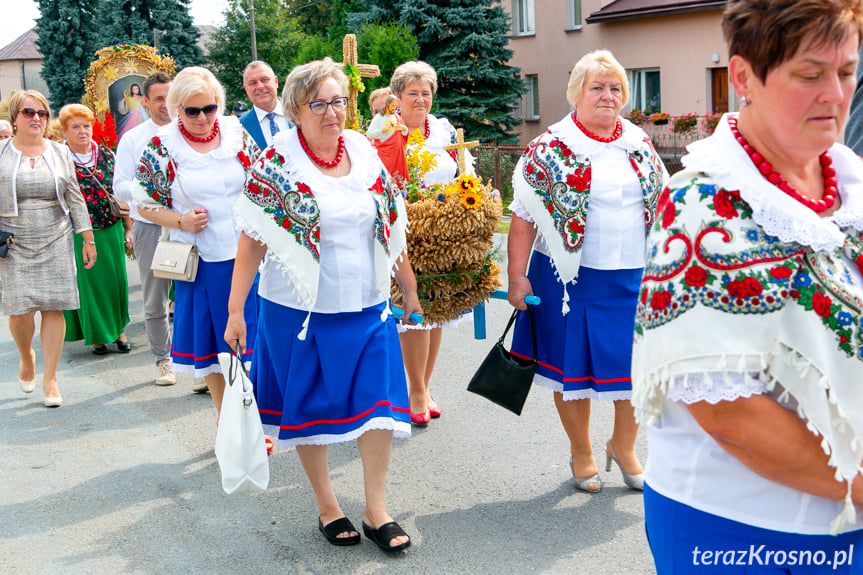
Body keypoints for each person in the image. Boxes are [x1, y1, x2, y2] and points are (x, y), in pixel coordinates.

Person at [633, 1, 863, 571]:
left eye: (847, 71)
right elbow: (729, 412)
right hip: (743, 532)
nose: (835, 94)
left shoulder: (848, 180)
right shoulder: (702, 206)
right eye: (810, 74)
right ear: (743, 78)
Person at [224, 58, 421, 552]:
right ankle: (328, 505)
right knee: (309, 407)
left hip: (367, 305)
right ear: (294, 110)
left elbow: (390, 224)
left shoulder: (362, 149)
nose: (333, 112)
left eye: (339, 101)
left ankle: (376, 509)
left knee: (379, 406)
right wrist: (234, 311)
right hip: (299, 311)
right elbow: (252, 241)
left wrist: (409, 286)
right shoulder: (276, 162)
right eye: (320, 104)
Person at [507, 50, 668, 494]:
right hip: (567, 281)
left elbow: (665, 208)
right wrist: (516, 277)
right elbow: (522, 218)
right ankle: (582, 450)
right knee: (571, 370)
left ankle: (625, 445)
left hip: (634, 277)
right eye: (597, 87)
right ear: (577, 93)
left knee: (636, 369)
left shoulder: (639, 142)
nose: (607, 95)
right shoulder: (551, 147)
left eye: (615, 88)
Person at [132, 66, 259, 417]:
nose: (203, 117)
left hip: (248, 254)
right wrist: (181, 220)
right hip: (202, 262)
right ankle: (227, 418)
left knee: (251, 341)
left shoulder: (236, 134)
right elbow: (142, 203)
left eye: (210, 108)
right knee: (214, 346)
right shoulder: (163, 145)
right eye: (192, 111)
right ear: (177, 109)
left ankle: (250, 414)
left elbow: (262, 181)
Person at [389, 60, 475, 425]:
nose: (421, 99)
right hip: (402, 231)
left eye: (426, 93)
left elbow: (465, 172)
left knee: (438, 309)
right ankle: (415, 391)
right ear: (398, 96)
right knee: (413, 309)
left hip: (440, 234)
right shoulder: (385, 130)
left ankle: (423, 385)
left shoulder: (441, 130)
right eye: (413, 93)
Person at [0, 90, 96, 407]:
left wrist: (87, 236)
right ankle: (27, 355)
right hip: (13, 240)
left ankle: (50, 378)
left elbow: (73, 196)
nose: (37, 119)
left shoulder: (59, 152)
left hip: (56, 234)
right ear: (15, 118)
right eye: (29, 112)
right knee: (19, 309)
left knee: (54, 306)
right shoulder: (1, 152)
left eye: (42, 113)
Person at [114, 71, 179, 387]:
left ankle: (195, 362)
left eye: (171, 96)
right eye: (158, 98)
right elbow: (120, 186)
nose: (166, 104)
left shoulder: (191, 131)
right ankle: (164, 360)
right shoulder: (134, 138)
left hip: (190, 226)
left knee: (193, 296)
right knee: (155, 298)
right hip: (152, 227)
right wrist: (152, 190)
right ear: (146, 101)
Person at [59, 104, 131, 355]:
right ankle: (98, 336)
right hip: (79, 232)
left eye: (86, 126)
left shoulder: (108, 154)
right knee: (91, 284)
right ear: (64, 132)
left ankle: (120, 329)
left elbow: (120, 196)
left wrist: (128, 227)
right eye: (75, 127)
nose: (82, 131)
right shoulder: (59, 158)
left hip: (111, 228)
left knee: (116, 280)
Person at [239, 61, 291, 150]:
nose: (260, 86)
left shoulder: (299, 113)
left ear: (276, 82)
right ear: (246, 89)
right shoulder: (240, 127)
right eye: (253, 83)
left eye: (264, 80)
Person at [366, 94, 409, 185]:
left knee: (399, 177)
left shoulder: (397, 117)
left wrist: (403, 128)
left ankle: (402, 193)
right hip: (385, 152)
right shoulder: (379, 118)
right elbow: (370, 134)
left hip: (398, 152)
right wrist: (381, 130)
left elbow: (405, 133)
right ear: (387, 105)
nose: (394, 108)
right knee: (386, 176)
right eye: (392, 106)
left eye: (395, 106)